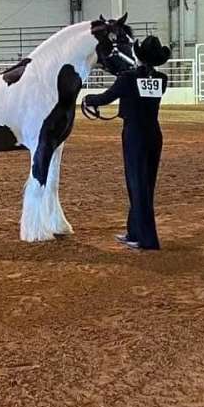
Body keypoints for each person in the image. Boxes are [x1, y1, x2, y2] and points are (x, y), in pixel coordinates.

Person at [83, 35, 171, 251]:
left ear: (138, 56)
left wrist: (88, 99)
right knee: (145, 184)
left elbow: (106, 98)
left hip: (134, 134)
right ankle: (134, 231)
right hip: (153, 133)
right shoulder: (161, 79)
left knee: (136, 185)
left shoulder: (127, 78)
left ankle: (147, 239)